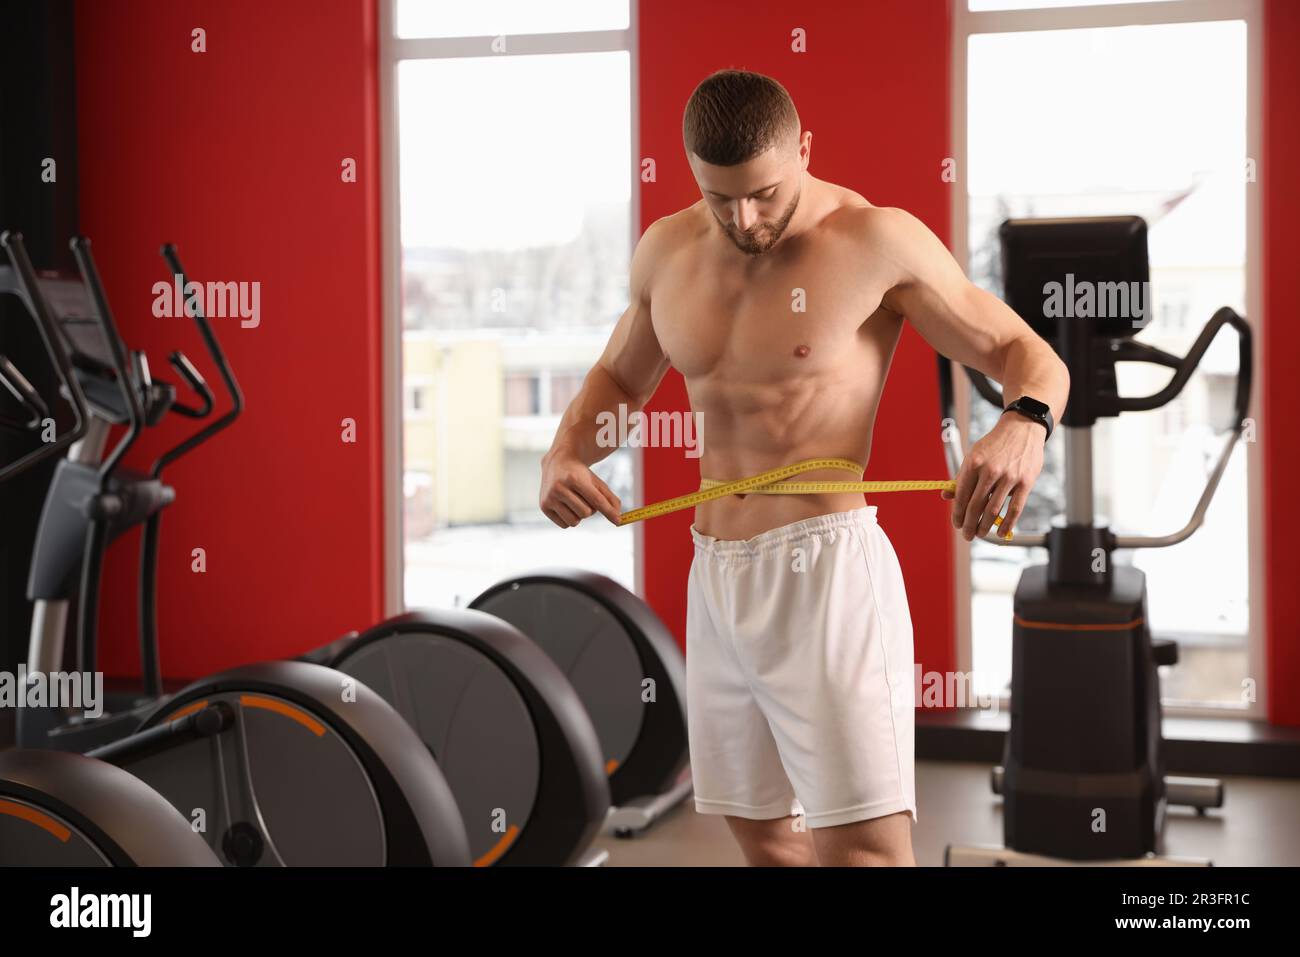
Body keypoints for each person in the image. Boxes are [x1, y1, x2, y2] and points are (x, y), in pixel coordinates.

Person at [539, 68, 1068, 866]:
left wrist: (1023, 423)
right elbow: (620, 378)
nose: (743, 218)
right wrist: (564, 448)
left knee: (862, 851)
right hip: (717, 574)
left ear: (805, 151)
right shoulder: (667, 251)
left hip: (825, 572)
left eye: (763, 194)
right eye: (720, 198)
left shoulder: (872, 240)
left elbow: (1023, 353)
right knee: (764, 837)